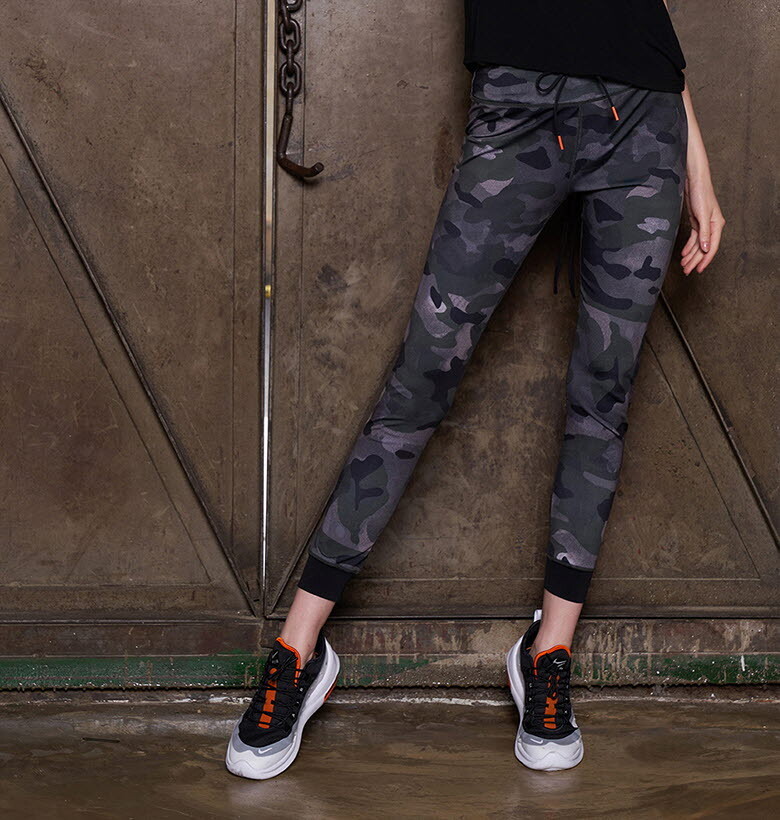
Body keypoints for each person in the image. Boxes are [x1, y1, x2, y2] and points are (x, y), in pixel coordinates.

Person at [225, 0, 725, 778]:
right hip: (517, 109)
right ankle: (299, 649)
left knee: (604, 391)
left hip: (645, 122)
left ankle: (548, 652)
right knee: (422, 375)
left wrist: (694, 151)